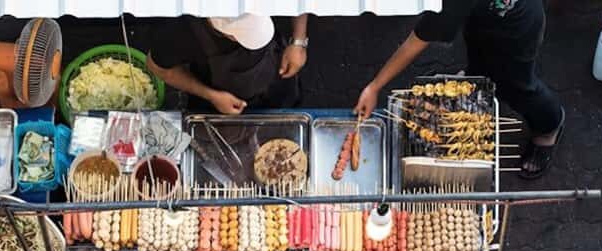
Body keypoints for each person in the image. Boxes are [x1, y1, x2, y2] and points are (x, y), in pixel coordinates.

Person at [354, 0, 564, 179]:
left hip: (519, 27)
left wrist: (375, 86)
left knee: (518, 86)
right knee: (480, 59)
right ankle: (480, 75)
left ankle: (549, 126)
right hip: (485, 16)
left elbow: (417, 41)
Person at [146, 14, 309, 114]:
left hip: (277, 70)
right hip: (222, 102)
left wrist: (298, 41)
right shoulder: (181, 31)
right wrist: (211, 95)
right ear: (224, 31)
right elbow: (157, 67)